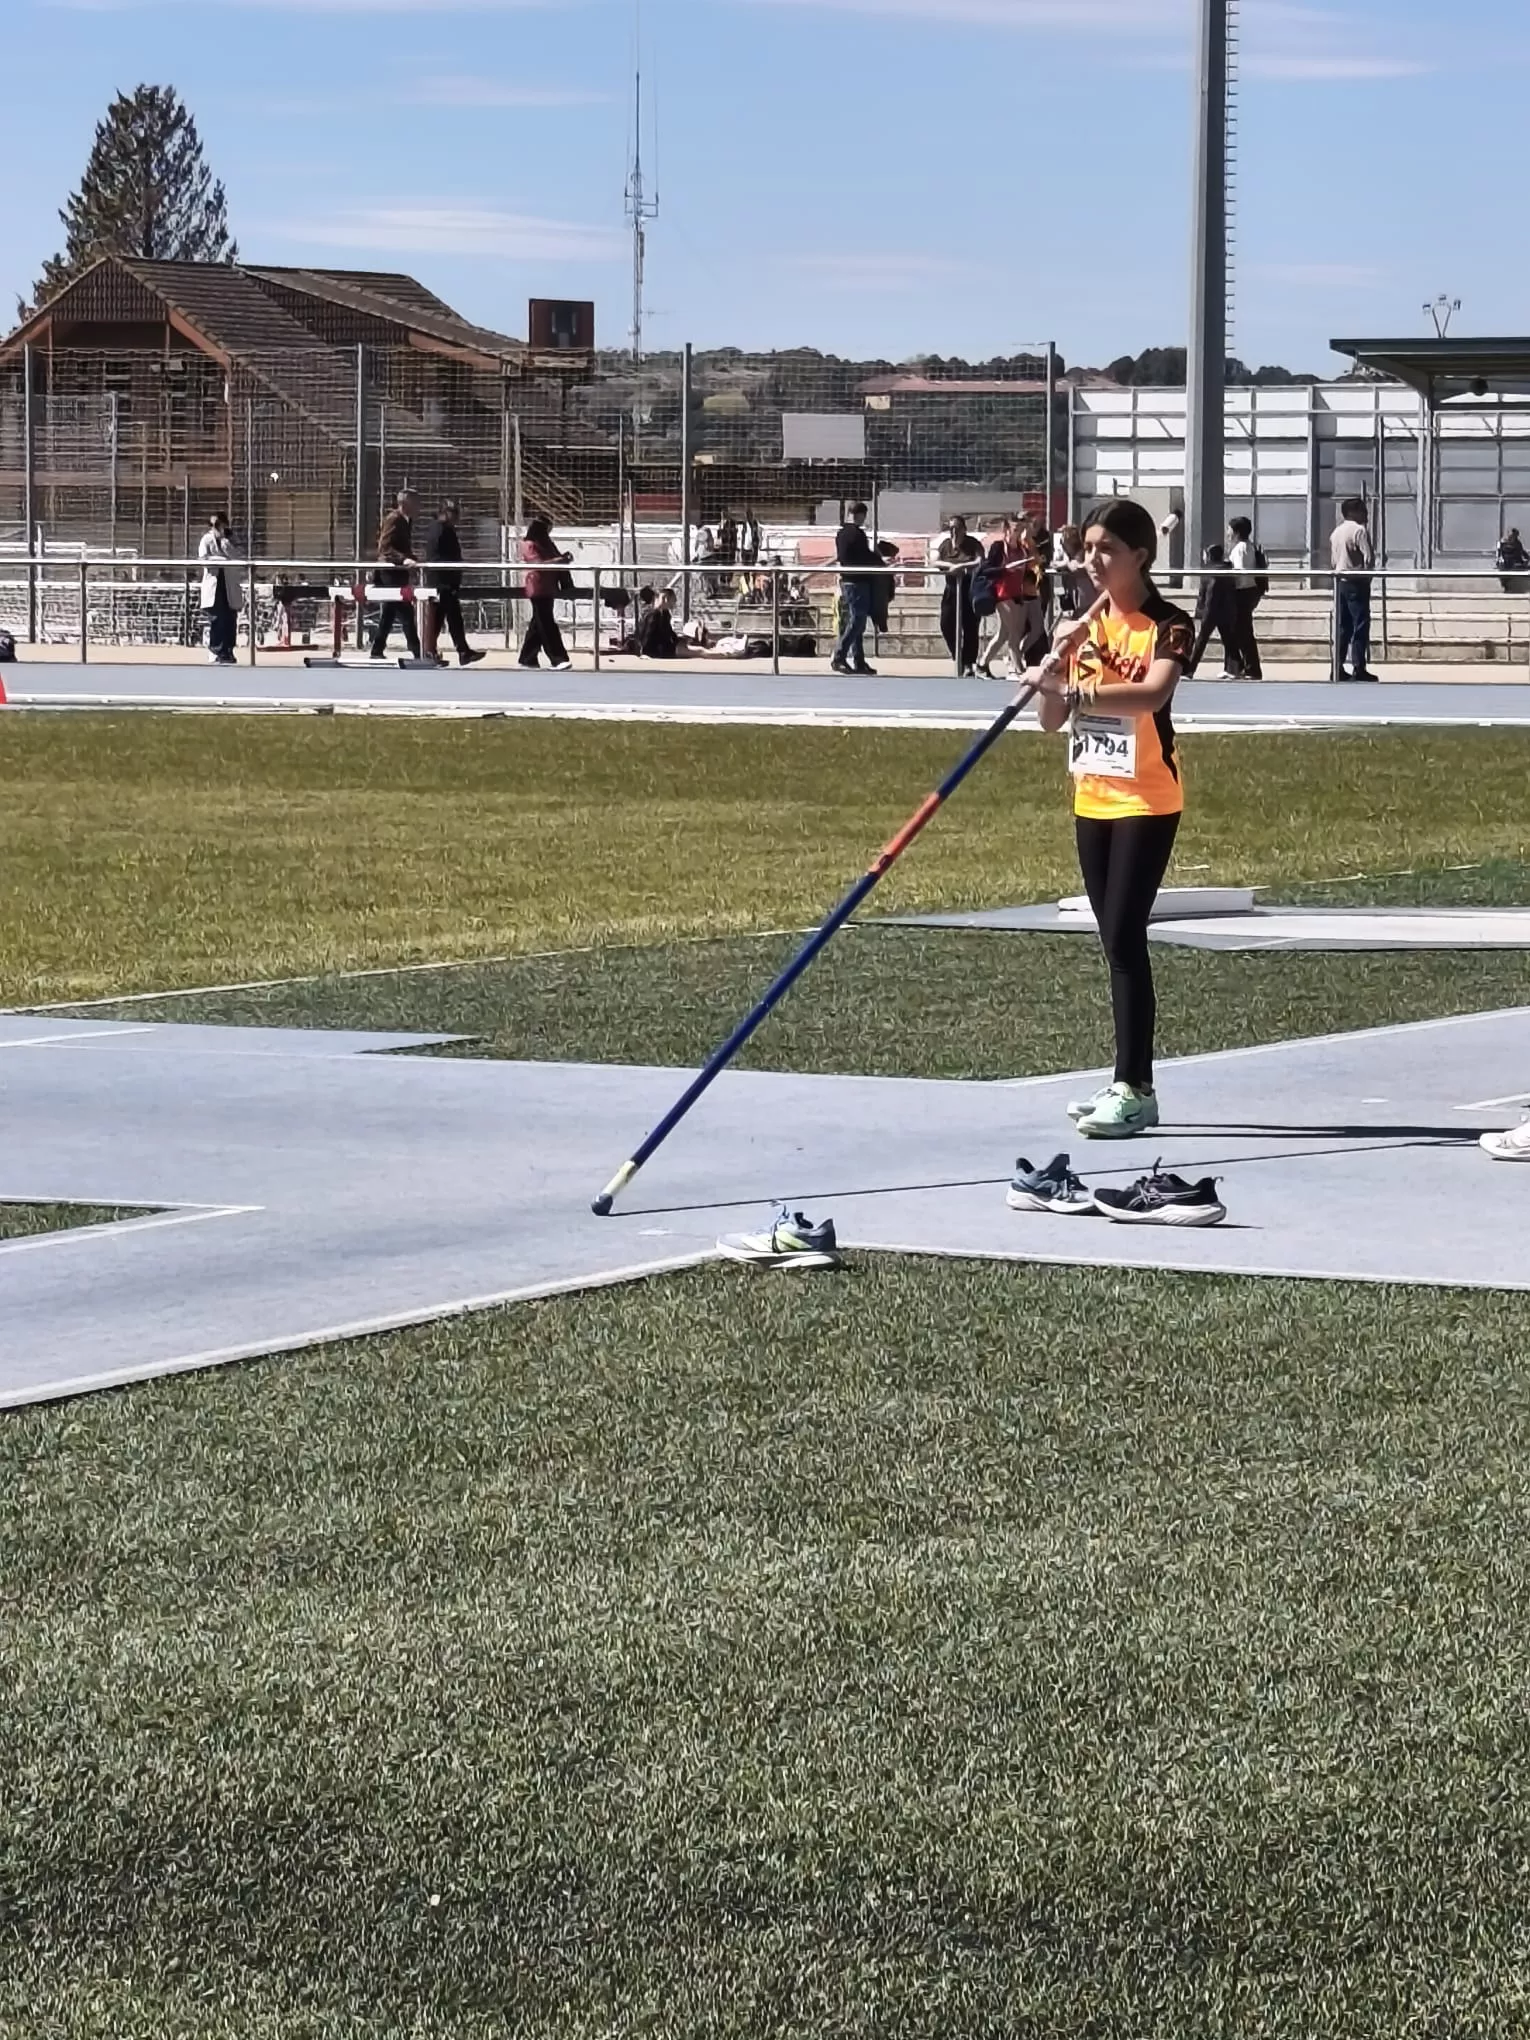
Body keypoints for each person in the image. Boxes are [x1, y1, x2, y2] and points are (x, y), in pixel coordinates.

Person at [1033, 497, 1195, 1140]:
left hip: (1147, 799)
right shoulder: (1083, 627)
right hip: (1092, 796)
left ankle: (1137, 1086)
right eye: (1087, 549)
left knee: (1126, 937)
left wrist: (1077, 689)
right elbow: (1052, 723)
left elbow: (1154, 692)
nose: (1092, 561)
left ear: (1140, 557)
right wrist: (1051, 668)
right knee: (1112, 940)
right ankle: (1122, 1077)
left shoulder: (1169, 623)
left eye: (1106, 550)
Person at [423, 500, 486, 667]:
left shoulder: (444, 529)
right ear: (445, 513)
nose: (457, 517)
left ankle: (439, 651)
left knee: (443, 618)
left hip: (446, 581)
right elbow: (438, 556)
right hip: (442, 581)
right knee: (450, 617)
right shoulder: (440, 529)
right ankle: (459, 651)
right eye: (454, 513)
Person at [977, 518, 1042, 679]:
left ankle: (982, 664)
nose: (1018, 533)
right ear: (1007, 529)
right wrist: (1004, 569)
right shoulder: (998, 547)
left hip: (1016, 593)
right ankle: (1017, 669)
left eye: (1020, 529)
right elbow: (986, 570)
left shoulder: (1022, 548)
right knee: (1015, 633)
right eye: (1015, 529)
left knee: (1003, 634)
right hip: (1002, 593)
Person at [371, 488, 422, 660]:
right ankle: (417, 652)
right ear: (405, 504)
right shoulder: (394, 519)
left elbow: (402, 547)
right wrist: (403, 560)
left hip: (398, 573)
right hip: (390, 573)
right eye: (416, 503)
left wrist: (412, 557)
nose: (419, 506)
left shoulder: (407, 521)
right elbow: (385, 548)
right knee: (406, 612)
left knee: (389, 613)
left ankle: (377, 650)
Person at [1330, 496, 1377, 682]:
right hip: (1357, 582)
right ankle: (1359, 667)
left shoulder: (1336, 532)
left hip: (1340, 581)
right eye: (1363, 510)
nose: (1366, 514)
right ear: (1354, 512)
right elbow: (1368, 558)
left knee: (1343, 627)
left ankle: (1337, 667)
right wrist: (1368, 577)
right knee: (1360, 625)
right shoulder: (1360, 531)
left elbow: (1333, 561)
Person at [519, 514, 573, 671]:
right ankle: (558, 658)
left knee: (539, 622)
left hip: (549, 586)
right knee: (547, 623)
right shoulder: (529, 544)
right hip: (537, 586)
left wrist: (562, 559)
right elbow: (537, 563)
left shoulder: (547, 543)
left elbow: (555, 558)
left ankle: (527, 657)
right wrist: (560, 560)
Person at [832, 501, 878, 676]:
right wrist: (877, 559)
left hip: (848, 580)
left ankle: (858, 660)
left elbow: (843, 557)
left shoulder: (841, 533)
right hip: (858, 581)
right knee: (858, 620)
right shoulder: (857, 534)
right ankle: (839, 655)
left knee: (856, 620)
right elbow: (863, 557)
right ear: (860, 515)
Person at [935, 514, 983, 674]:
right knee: (946, 624)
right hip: (951, 589)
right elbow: (935, 561)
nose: (953, 532)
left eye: (956, 528)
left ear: (964, 529)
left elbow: (980, 561)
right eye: (951, 528)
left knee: (970, 626)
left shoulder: (972, 544)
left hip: (969, 589)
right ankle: (959, 657)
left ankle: (969, 662)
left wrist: (962, 567)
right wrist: (949, 565)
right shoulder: (946, 544)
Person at [1187, 542, 1242, 677]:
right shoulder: (1227, 570)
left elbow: (1206, 594)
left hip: (1211, 611)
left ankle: (1189, 670)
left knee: (1201, 640)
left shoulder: (1209, 571)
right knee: (1229, 640)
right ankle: (1234, 668)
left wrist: (1201, 612)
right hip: (1226, 610)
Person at [197, 511, 240, 666]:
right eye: (212, 525)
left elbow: (236, 557)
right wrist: (221, 559)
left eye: (218, 524)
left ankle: (228, 650)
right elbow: (204, 560)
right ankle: (215, 650)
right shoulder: (206, 540)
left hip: (229, 584)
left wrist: (224, 541)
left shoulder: (231, 540)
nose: (215, 528)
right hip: (214, 584)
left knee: (230, 618)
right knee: (217, 619)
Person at [1225, 516, 1265, 679]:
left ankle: (1251, 668)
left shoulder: (1240, 549)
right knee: (1242, 631)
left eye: (1229, 529)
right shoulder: (1248, 546)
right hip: (1249, 591)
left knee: (1243, 632)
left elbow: (1241, 572)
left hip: (1242, 592)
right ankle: (1244, 666)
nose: (1227, 533)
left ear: (1236, 532)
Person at [1497, 527, 1530, 594]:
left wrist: (1527, 558)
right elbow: (1500, 553)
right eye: (1512, 535)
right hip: (1507, 563)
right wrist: (1500, 560)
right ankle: (1507, 586)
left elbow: (1521, 551)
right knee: (1505, 573)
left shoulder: (1517, 543)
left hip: (1516, 562)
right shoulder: (1504, 543)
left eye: (1515, 535)